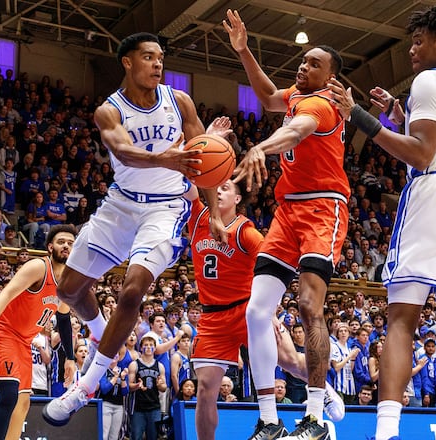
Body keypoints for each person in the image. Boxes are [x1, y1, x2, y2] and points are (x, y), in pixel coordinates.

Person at [327, 6, 436, 440]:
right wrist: (399, 117)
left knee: (402, 316)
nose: (411, 49)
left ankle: (385, 432)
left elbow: (423, 155)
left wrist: (360, 117)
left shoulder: (430, 79)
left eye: (419, 40)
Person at [42, 32, 226, 427]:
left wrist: (213, 212)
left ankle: (86, 386)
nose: (158, 64)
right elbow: (123, 151)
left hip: (165, 210)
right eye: (148, 57)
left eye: (161, 58)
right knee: (69, 289)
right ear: (127, 62)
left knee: (131, 291)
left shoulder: (180, 101)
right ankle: (97, 333)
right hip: (121, 204)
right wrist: (166, 157)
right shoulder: (109, 111)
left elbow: (204, 163)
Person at [224, 10, 349, 439]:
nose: (304, 65)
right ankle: (269, 420)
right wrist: (244, 51)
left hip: (322, 209)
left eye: (315, 63)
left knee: (310, 306)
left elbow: (295, 132)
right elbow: (267, 97)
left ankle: (314, 416)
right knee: (257, 311)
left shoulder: (323, 104)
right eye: (304, 60)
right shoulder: (297, 94)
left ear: (332, 78)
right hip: (288, 212)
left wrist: (261, 146)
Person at [185, 175, 345, 440]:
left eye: (226, 188)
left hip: (247, 310)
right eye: (217, 189)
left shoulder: (246, 232)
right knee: (204, 390)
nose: (219, 192)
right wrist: (207, 142)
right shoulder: (199, 218)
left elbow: (275, 269)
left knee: (292, 362)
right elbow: (188, 181)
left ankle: (322, 387)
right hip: (213, 316)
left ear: (238, 199)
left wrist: (269, 310)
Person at [0, 225, 78, 440]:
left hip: (24, 341)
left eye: (71, 243)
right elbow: (6, 293)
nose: (66, 246)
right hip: (4, 332)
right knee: (9, 397)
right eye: (61, 242)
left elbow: (63, 319)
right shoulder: (38, 267)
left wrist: (70, 357)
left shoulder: (68, 281)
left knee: (23, 404)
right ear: (50, 247)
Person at [128, 335, 167, 440]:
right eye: (146, 345)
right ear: (141, 348)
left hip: (154, 407)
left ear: (155, 348)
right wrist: (136, 386)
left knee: (153, 437)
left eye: (151, 345)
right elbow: (129, 386)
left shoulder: (160, 366)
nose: (149, 347)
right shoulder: (134, 364)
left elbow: (164, 387)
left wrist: (160, 385)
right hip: (137, 408)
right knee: (136, 437)